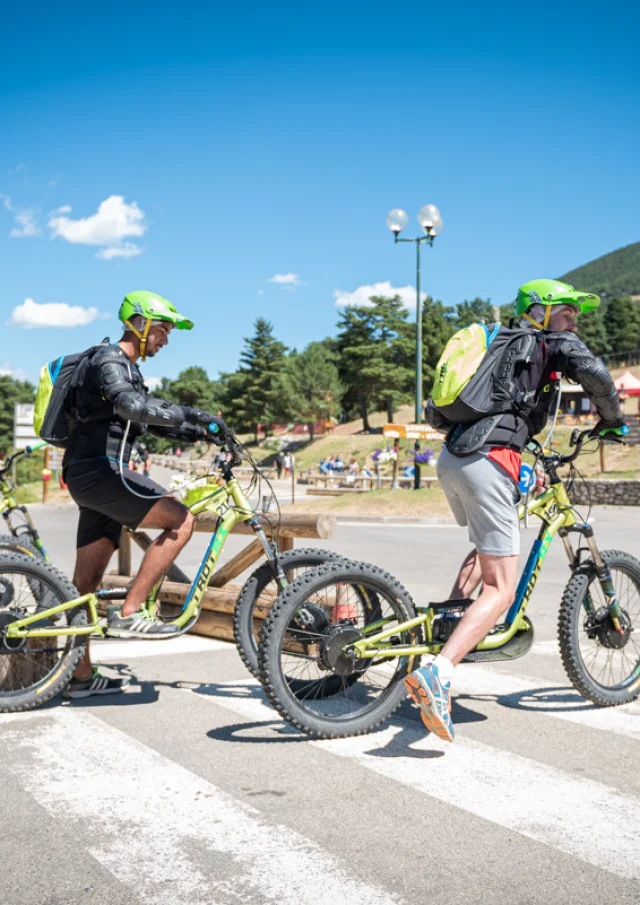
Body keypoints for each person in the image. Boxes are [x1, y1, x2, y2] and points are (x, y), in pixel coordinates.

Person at [406, 279, 626, 742]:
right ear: (541, 313)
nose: (575, 320)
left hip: (456, 458)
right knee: (502, 589)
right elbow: (598, 377)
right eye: (567, 311)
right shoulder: (551, 341)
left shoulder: (500, 344)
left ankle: (447, 628)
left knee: (486, 551)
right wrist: (612, 418)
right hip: (489, 460)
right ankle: (439, 671)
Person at [62, 290, 228, 698]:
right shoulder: (109, 361)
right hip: (101, 471)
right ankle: (131, 611)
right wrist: (191, 415)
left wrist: (194, 429)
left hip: (88, 474)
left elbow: (143, 418)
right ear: (138, 323)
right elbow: (130, 403)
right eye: (162, 330)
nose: (165, 340)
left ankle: (77, 676)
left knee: (84, 584)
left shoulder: (127, 369)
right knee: (181, 519)